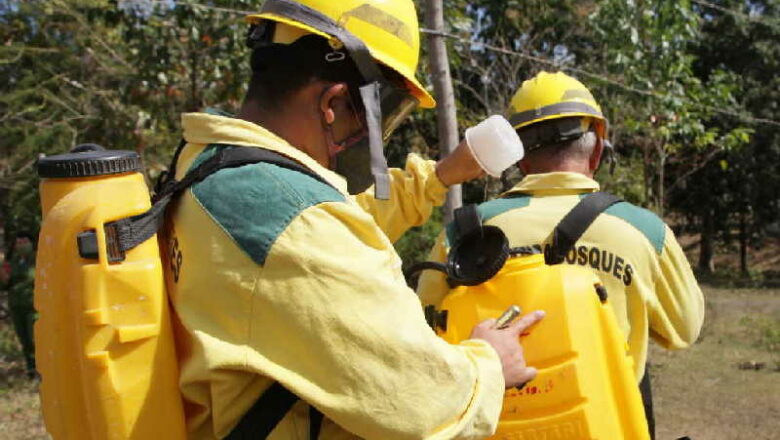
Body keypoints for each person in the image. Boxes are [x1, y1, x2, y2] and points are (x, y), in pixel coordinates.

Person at [162, 1, 542, 438]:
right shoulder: (294, 226)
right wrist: (489, 363)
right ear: (333, 103)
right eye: (381, 111)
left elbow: (340, 221)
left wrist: (438, 177)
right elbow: (420, 403)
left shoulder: (212, 166)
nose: (369, 137)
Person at [417, 71, 705, 437]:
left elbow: (424, 338)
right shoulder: (644, 231)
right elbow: (684, 330)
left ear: (518, 156)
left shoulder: (463, 234)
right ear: (598, 148)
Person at [5, 233, 37, 379]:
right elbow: (6, 283)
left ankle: (42, 368)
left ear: (31, 243)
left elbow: (32, 277)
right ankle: (30, 369)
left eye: (24, 241)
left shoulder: (37, 258)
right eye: (18, 243)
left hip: (33, 305)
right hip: (16, 305)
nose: (21, 245)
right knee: (23, 339)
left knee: (34, 338)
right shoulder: (14, 261)